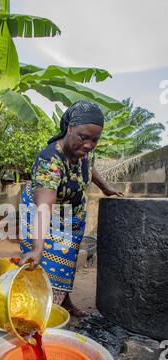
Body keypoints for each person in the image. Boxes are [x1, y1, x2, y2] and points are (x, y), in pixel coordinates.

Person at [19, 100, 124, 316]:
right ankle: (40, 313)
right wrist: (38, 248)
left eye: (94, 140)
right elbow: (43, 209)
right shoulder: (50, 160)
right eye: (83, 137)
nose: (88, 145)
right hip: (43, 216)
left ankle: (64, 302)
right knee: (46, 264)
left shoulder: (83, 152)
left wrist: (105, 187)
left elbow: (90, 166)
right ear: (69, 129)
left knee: (66, 262)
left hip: (71, 216)